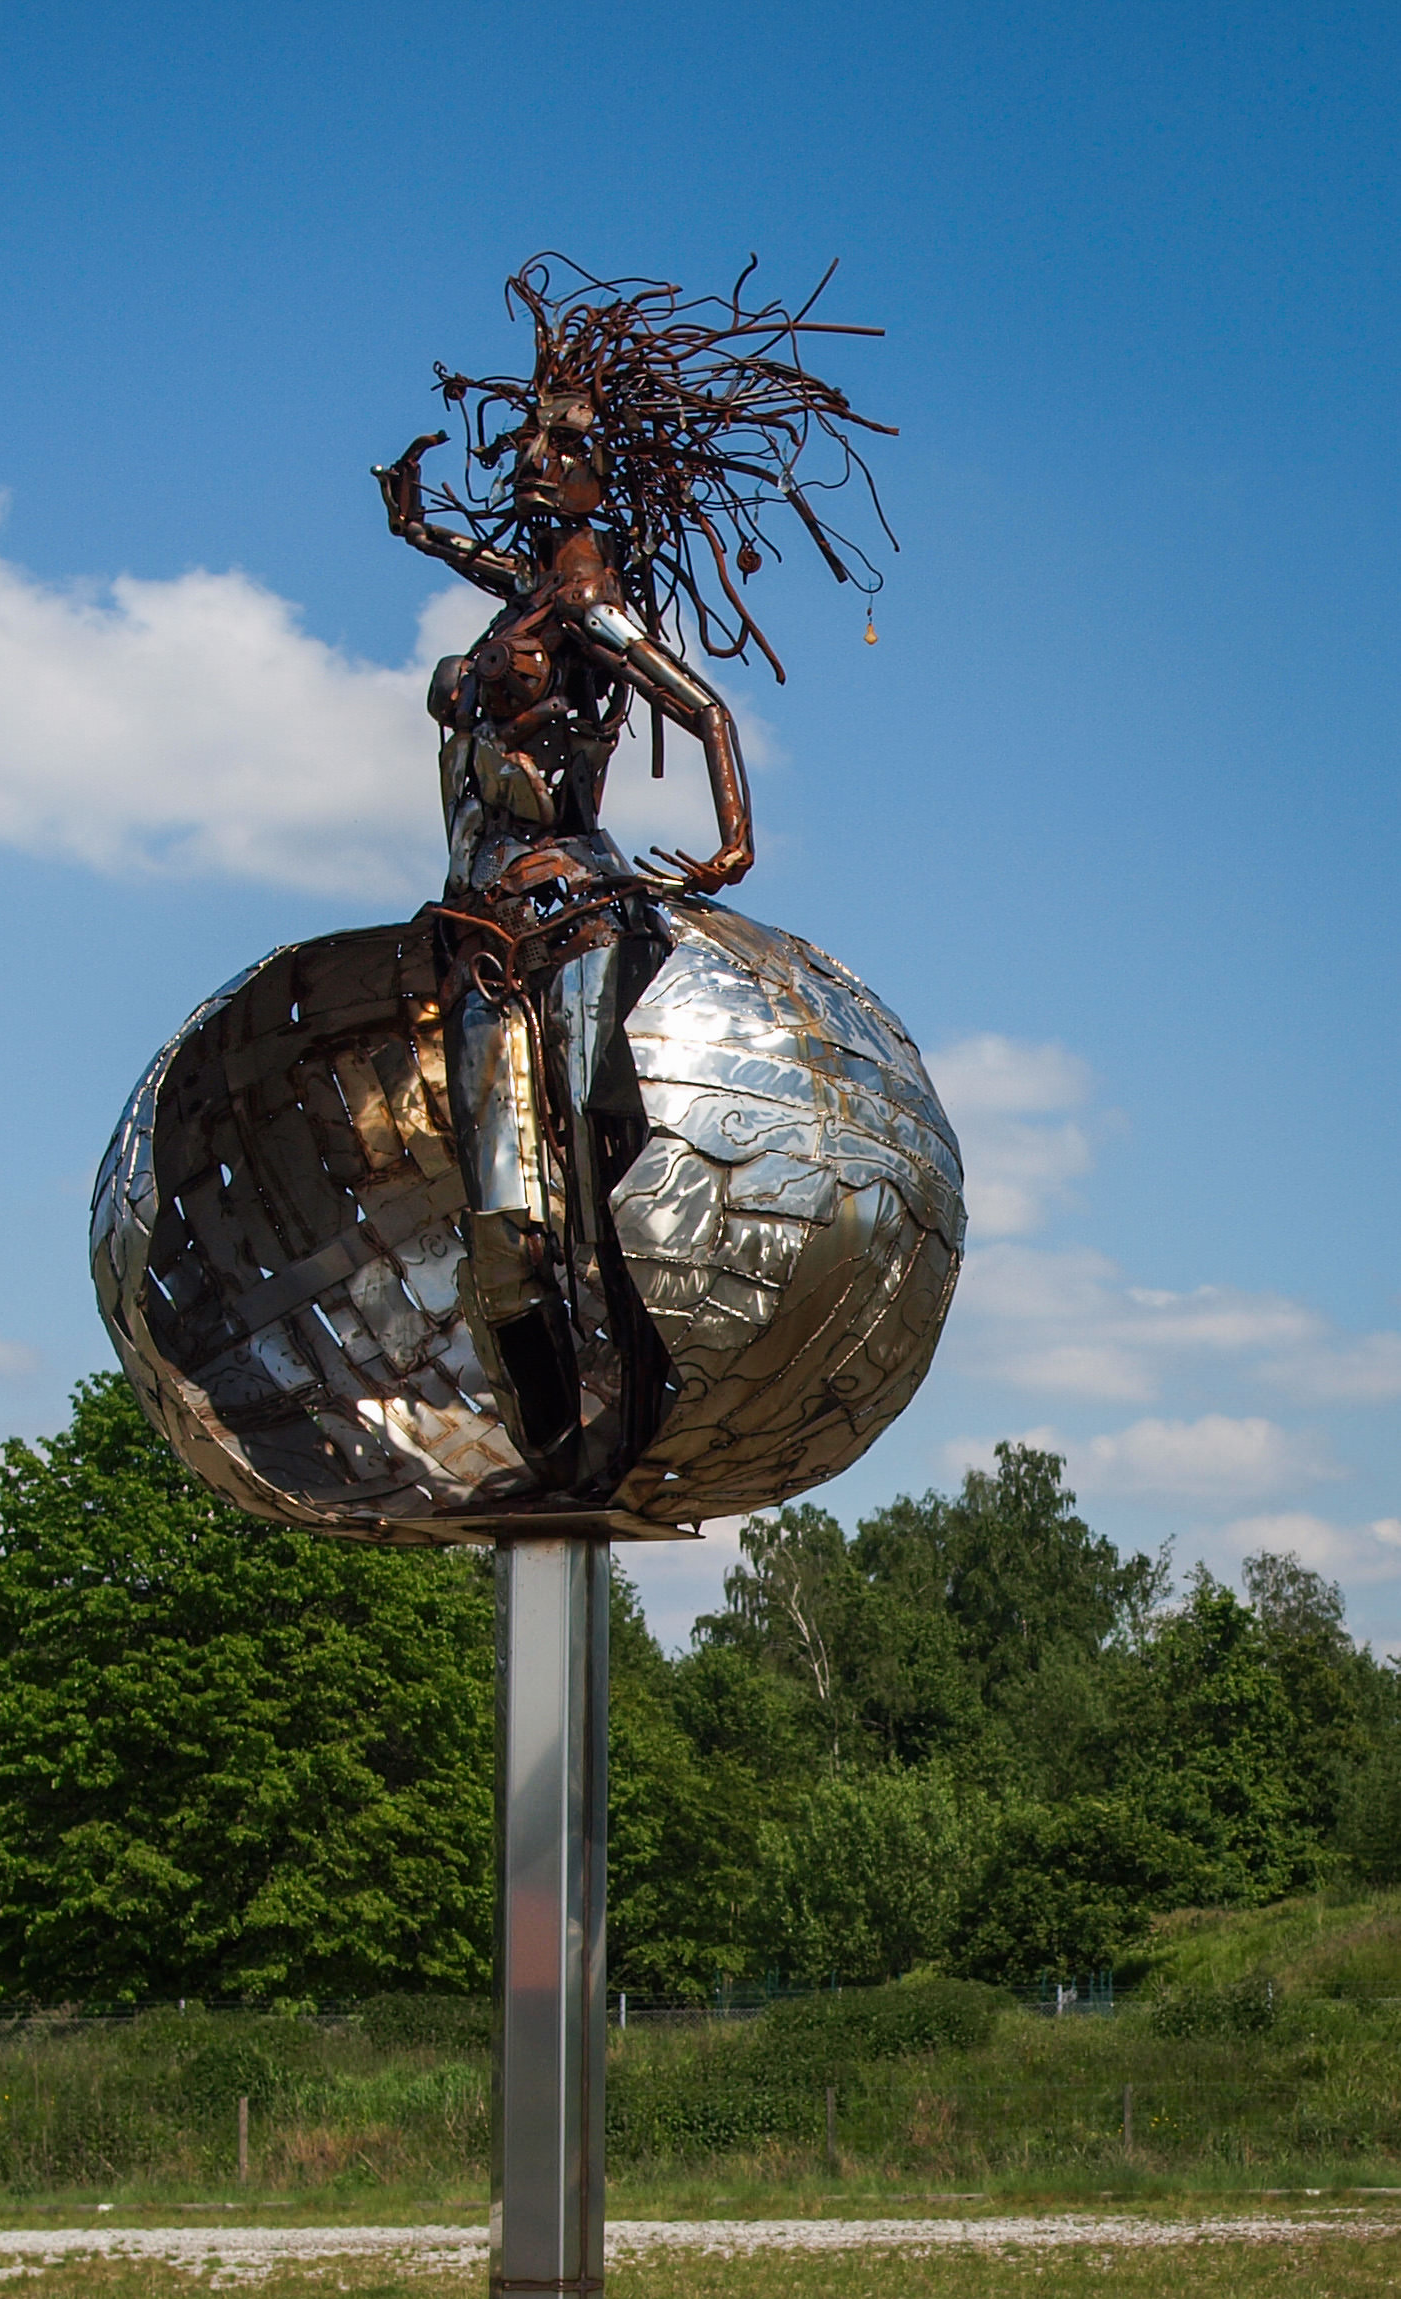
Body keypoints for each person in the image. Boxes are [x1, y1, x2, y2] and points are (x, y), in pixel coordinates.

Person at [375, 261, 889, 1494]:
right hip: (479, 920)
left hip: (570, 912)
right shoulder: (527, 598)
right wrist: (413, 525)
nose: (535, 462)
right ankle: (552, 1441)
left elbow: (703, 708)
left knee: (581, 1193)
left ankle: (621, 1412)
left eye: (564, 447)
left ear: (602, 473)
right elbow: (478, 569)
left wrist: (733, 843)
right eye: (530, 443)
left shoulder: (591, 607)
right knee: (500, 1211)